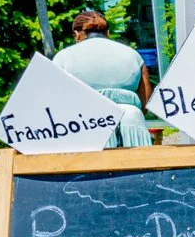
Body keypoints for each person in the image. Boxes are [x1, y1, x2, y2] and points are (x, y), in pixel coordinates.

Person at [51, 9, 154, 148]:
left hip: (86, 126)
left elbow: (55, 103)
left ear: (77, 35)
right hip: (132, 125)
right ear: (107, 33)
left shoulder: (63, 57)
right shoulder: (132, 54)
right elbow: (146, 100)